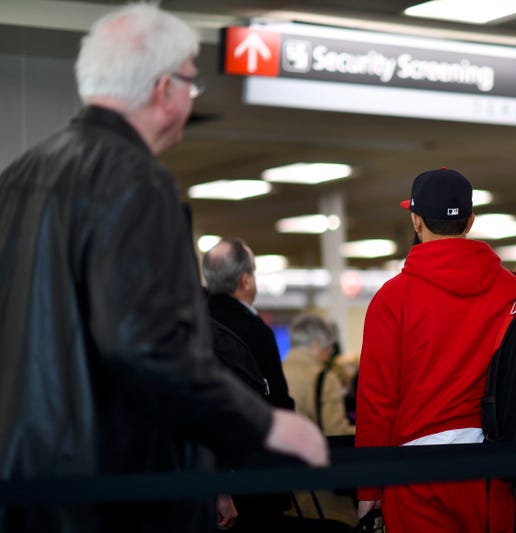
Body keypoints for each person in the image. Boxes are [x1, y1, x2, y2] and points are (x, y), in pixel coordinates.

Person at [0, 4, 327, 532]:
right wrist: (265, 426)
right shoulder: (136, 180)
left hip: (27, 485)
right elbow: (147, 345)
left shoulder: (17, 178)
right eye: (193, 84)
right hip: (120, 491)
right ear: (163, 88)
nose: (191, 98)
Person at [356, 167, 516, 533]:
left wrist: (368, 487)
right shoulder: (515, 291)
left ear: (416, 221)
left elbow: (376, 402)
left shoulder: (392, 298)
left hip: (418, 476)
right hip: (495, 470)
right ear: (470, 221)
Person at [202, 238, 295, 410]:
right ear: (245, 281)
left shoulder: (195, 324)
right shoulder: (257, 333)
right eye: (253, 271)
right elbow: (278, 400)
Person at [283, 312, 355, 436]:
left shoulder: (275, 373)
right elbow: (335, 431)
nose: (331, 352)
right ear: (315, 344)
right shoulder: (325, 378)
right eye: (328, 346)